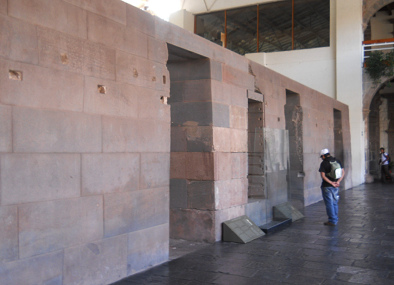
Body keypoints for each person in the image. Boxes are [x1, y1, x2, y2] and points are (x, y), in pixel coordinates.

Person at [319, 149, 345, 226]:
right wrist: (338, 182)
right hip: (336, 185)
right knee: (334, 202)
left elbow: (323, 176)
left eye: (321, 156)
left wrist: (331, 183)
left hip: (327, 186)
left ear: (323, 156)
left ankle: (332, 220)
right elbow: (343, 172)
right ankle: (335, 218)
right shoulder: (337, 160)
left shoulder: (324, 163)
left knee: (329, 204)